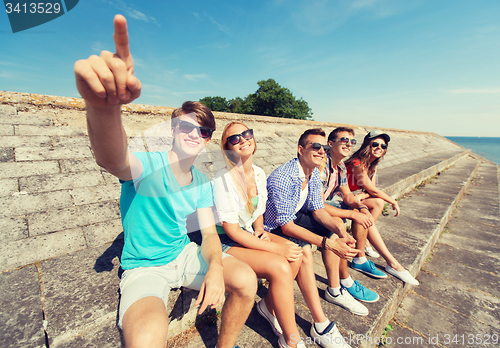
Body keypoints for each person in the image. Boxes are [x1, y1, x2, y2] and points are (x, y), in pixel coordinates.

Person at [74, 14, 257, 348]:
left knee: (245, 279)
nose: (194, 134)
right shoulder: (149, 166)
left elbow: (207, 234)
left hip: (184, 254)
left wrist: (215, 265)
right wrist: (103, 110)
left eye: (203, 131)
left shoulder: (203, 177)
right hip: (145, 268)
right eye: (187, 126)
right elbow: (112, 158)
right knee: (146, 340)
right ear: (174, 130)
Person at [213, 122, 305, 348]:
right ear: (227, 148)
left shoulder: (259, 172)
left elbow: (258, 211)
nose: (243, 139)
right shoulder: (222, 179)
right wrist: (275, 247)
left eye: (246, 134)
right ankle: (292, 339)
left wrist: (260, 230)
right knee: (280, 265)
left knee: (297, 255)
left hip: (247, 232)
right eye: (234, 138)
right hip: (224, 240)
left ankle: (267, 307)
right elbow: (232, 230)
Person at [264, 128, 355, 348]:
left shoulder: (313, 172)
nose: (322, 151)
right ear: (300, 149)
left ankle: (334, 292)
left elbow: (318, 209)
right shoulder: (283, 178)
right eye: (316, 146)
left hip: (289, 222)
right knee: (304, 250)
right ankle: (320, 323)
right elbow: (286, 226)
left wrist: (342, 233)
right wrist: (328, 244)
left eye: (324, 148)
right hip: (269, 228)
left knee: (335, 228)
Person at [318, 127, 385, 317]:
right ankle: (335, 288)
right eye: (344, 140)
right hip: (304, 211)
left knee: (359, 209)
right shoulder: (321, 166)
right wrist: (353, 214)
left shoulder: (339, 167)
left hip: (325, 204)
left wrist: (360, 207)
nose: (349, 144)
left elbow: (347, 194)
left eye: (352, 141)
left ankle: (353, 268)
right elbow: (318, 204)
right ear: (330, 144)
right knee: (337, 226)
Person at [344, 130, 419, 285]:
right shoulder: (357, 163)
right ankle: (392, 263)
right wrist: (393, 201)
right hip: (341, 196)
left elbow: (368, 191)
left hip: (354, 197)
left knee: (378, 202)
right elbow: (371, 190)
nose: (380, 147)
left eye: (383, 145)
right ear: (367, 145)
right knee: (367, 211)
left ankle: (365, 241)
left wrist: (361, 196)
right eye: (375, 144)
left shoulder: (372, 164)